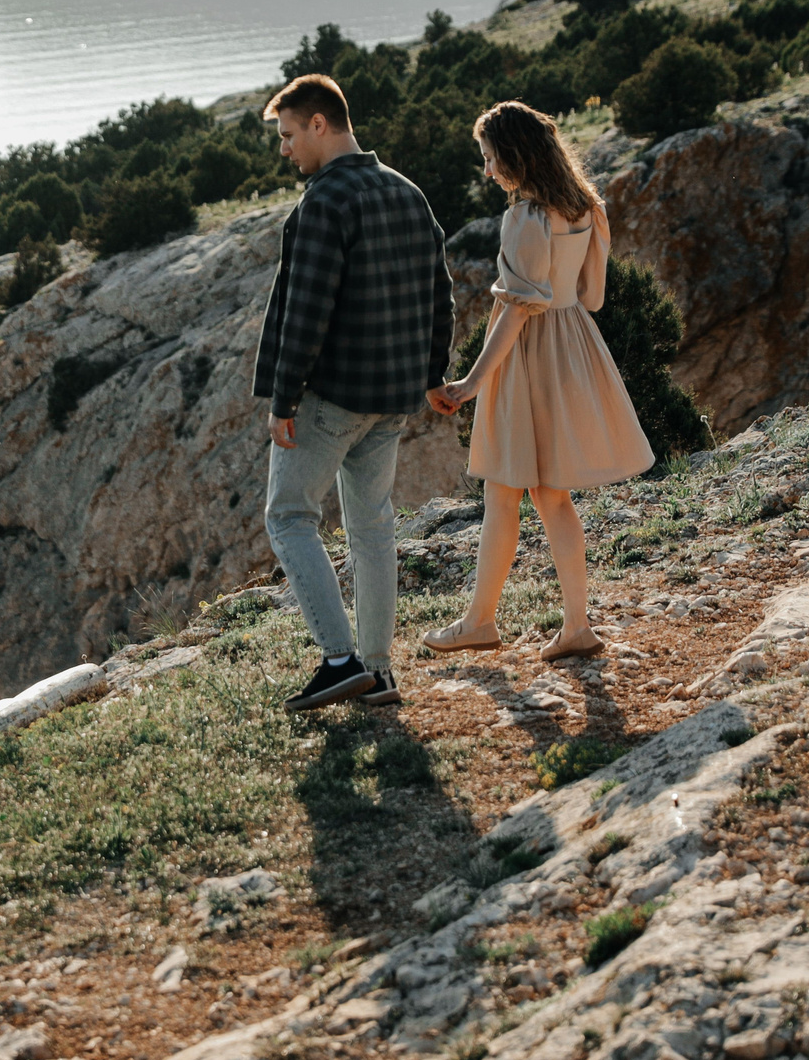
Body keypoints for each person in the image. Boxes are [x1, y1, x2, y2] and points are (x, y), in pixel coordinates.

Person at [253, 72, 455, 712]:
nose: (285, 150)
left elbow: (305, 312)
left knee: (288, 517)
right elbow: (439, 294)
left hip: (331, 397)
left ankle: (341, 662)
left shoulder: (324, 202)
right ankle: (378, 672)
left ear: (319, 123)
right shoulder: (407, 193)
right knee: (371, 530)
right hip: (392, 398)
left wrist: (283, 399)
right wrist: (430, 375)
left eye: (288, 136)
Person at [423, 101, 653, 659]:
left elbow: (517, 312)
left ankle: (480, 621)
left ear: (515, 154)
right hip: (573, 350)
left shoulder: (526, 218)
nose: (487, 171)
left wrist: (471, 383)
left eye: (490, 157)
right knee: (551, 496)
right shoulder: (588, 210)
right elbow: (592, 298)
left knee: (504, 493)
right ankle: (574, 626)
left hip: (526, 360)